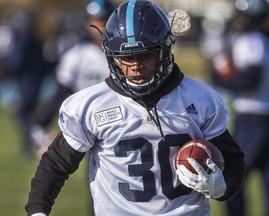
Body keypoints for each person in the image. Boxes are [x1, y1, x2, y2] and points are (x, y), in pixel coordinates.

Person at [25, 1, 245, 215]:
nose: (135, 66)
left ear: (164, 50)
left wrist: (222, 187)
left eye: (145, 56)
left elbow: (233, 160)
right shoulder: (90, 105)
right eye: (126, 58)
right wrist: (37, 211)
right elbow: (55, 165)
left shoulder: (200, 99)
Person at [212, 1, 269, 216]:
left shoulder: (252, 41)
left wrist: (221, 77)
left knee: (234, 173)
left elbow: (248, 80)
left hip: (254, 117)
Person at [30, 0, 116, 158]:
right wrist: (41, 124)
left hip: (118, 119)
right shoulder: (76, 55)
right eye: (95, 20)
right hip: (88, 122)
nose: (99, 25)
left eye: (104, 20)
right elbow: (60, 93)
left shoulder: (124, 55)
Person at [0, 9, 50, 159]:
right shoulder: (33, 38)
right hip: (32, 81)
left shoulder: (25, 39)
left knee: (23, 113)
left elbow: (17, 61)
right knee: (25, 114)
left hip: (28, 82)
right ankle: (29, 145)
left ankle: (39, 139)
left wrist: (6, 72)